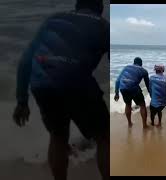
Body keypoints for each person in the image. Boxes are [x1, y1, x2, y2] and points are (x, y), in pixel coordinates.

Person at [12, 0, 109, 179]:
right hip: (75, 81)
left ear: (76, 6)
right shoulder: (103, 26)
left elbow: (26, 60)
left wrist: (21, 101)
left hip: (42, 83)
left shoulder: (53, 19)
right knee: (105, 136)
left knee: (58, 136)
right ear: (101, 9)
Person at [114, 57, 150, 129]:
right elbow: (148, 84)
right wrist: (151, 93)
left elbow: (117, 81)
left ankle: (129, 123)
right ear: (141, 64)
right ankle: (144, 126)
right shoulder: (144, 71)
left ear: (133, 62)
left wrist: (116, 93)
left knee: (128, 104)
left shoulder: (126, 67)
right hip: (133, 88)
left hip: (123, 88)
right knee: (142, 105)